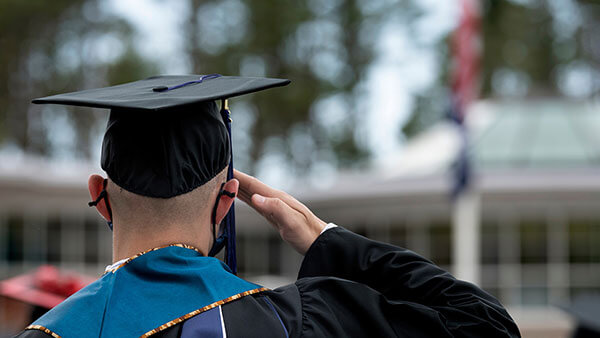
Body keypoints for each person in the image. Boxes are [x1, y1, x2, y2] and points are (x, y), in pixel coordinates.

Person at [15, 75, 520, 337]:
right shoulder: (299, 321)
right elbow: (485, 326)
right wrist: (331, 242)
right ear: (227, 201)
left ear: (100, 198)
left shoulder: (47, 332)